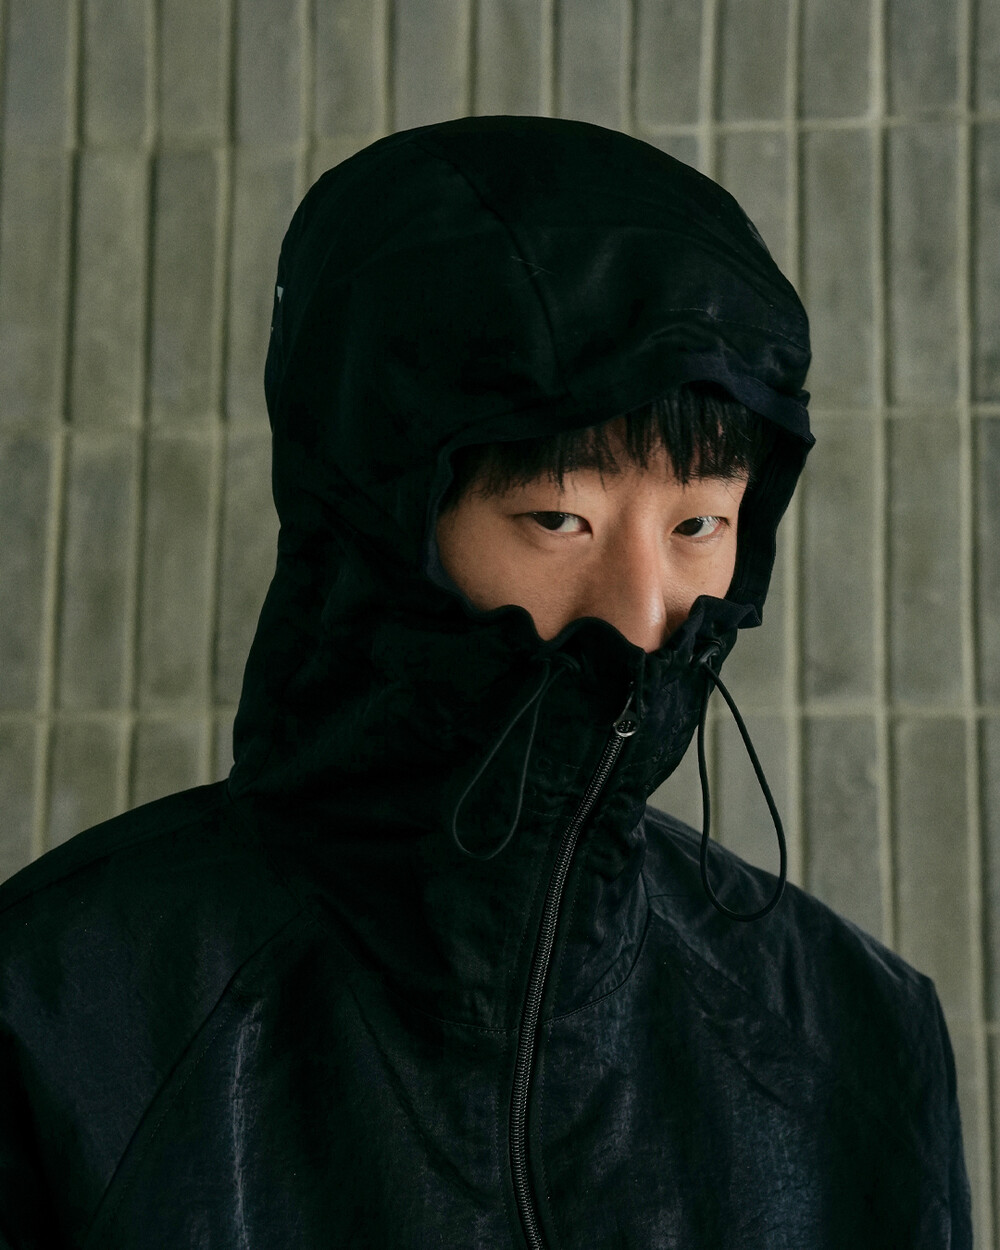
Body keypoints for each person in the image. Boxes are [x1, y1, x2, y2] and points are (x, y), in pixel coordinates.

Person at [0, 116, 970, 1248]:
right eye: (558, 517)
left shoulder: (855, 1036)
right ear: (377, 526)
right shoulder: (54, 1019)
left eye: (698, 524)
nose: (642, 613)